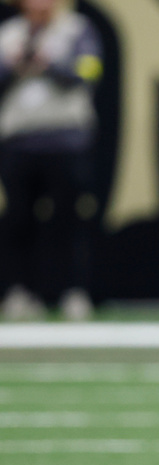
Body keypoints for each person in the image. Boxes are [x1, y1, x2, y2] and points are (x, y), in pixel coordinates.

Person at [0, 0, 102, 321]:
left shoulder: (77, 28)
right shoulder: (8, 34)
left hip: (65, 138)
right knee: (18, 220)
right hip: (20, 139)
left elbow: (91, 69)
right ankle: (20, 292)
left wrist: (52, 66)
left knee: (69, 219)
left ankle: (72, 292)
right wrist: (13, 66)